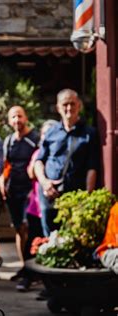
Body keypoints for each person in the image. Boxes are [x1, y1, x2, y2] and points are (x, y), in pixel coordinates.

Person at [34, 89, 99, 236]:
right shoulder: (51, 132)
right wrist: (44, 183)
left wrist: (87, 198)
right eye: (65, 104)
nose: (69, 108)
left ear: (79, 106)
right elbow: (39, 161)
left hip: (74, 196)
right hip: (49, 194)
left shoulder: (89, 133)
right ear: (58, 108)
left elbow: (92, 167)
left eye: (72, 104)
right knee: (50, 238)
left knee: (72, 237)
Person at [0, 105, 39, 284]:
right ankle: (24, 267)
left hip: (29, 192)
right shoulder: (8, 141)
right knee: (17, 229)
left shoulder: (35, 138)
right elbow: (6, 165)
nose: (17, 120)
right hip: (12, 191)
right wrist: (2, 181)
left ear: (26, 117)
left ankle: (31, 270)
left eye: (20, 116)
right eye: (13, 117)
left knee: (26, 227)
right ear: (9, 121)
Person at [17, 119, 58, 292]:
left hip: (51, 208)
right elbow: (30, 172)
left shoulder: (58, 154)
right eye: (44, 134)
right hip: (36, 206)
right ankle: (27, 276)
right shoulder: (38, 153)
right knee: (31, 243)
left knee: (50, 244)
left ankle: (49, 285)